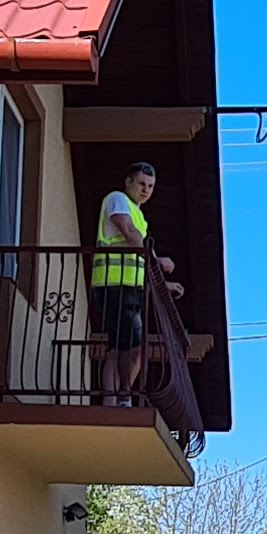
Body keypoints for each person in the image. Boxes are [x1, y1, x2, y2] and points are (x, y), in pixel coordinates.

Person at [92, 161, 177, 401]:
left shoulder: (138, 213)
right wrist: (157, 260)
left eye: (150, 185)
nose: (146, 189)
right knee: (136, 347)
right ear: (128, 181)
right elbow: (127, 230)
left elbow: (139, 263)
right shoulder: (118, 199)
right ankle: (124, 397)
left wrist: (163, 283)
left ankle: (112, 401)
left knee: (117, 348)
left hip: (124, 287)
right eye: (141, 183)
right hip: (115, 286)